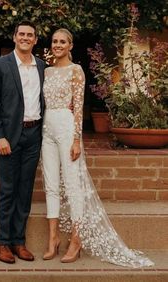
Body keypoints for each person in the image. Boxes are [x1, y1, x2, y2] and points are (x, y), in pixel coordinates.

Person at [41, 28, 154, 267]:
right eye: (55, 41)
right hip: (46, 130)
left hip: (66, 128)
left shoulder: (76, 71)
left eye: (63, 42)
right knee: (51, 185)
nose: (58, 45)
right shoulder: (47, 71)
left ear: (70, 46)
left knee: (72, 185)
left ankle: (76, 239)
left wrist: (75, 139)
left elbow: (79, 107)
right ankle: (53, 239)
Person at [0, 21, 45, 264]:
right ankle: (3, 243)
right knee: (8, 190)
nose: (25, 37)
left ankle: (19, 242)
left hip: (34, 136)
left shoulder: (41, 66)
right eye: (21, 34)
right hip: (8, 136)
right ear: (14, 37)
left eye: (30, 35)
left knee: (25, 190)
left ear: (35, 40)